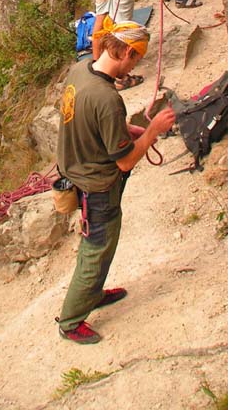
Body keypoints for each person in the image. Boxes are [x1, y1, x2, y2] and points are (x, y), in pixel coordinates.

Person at [56, 19, 176, 344]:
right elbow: (123, 160)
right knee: (97, 248)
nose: (135, 65)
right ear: (123, 51)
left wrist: (127, 132)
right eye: (135, 58)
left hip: (76, 170)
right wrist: (152, 132)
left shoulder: (80, 71)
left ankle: (91, 293)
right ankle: (71, 320)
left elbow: (92, 122)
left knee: (98, 245)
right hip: (98, 185)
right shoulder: (108, 98)